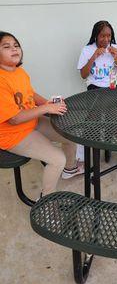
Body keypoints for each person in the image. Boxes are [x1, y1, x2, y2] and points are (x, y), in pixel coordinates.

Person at [0, 31, 83, 198]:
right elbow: (15, 119)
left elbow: (31, 95)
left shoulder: (19, 72)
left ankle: (71, 168)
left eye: (16, 45)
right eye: (6, 46)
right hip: (13, 135)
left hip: (32, 121)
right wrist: (46, 110)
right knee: (57, 159)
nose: (14, 49)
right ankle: (45, 200)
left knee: (70, 134)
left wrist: (49, 104)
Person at [77, 20, 117, 162]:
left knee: (113, 122)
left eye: (108, 36)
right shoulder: (87, 49)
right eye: (102, 36)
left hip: (112, 88)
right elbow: (83, 75)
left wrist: (116, 58)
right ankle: (84, 154)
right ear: (95, 36)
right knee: (93, 122)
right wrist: (94, 57)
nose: (106, 39)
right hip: (94, 88)